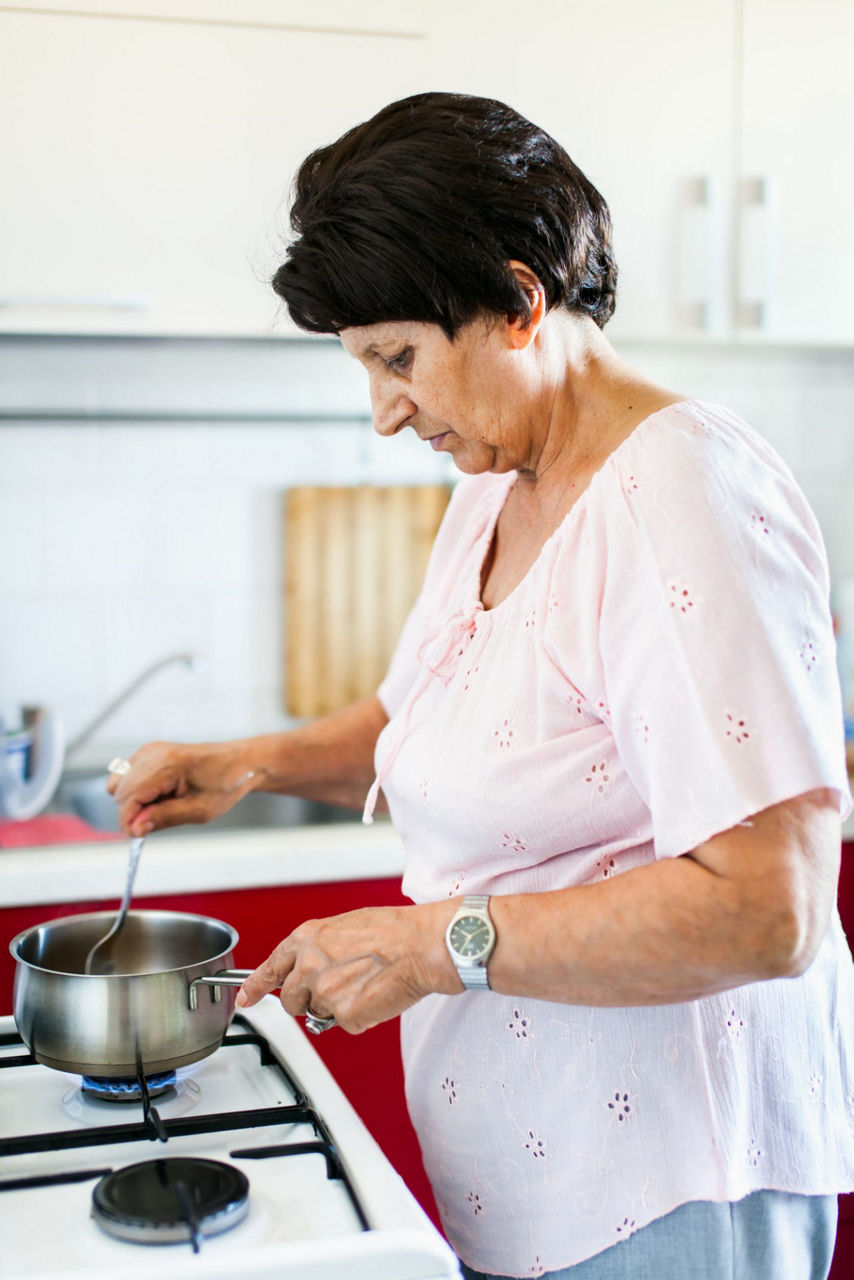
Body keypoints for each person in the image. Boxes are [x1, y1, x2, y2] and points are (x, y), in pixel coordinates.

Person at [107, 93, 854, 1279]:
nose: (383, 410)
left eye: (397, 359)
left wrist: (430, 945)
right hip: (526, 1182)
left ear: (517, 301)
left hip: (667, 1193)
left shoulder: (679, 499)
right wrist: (243, 762)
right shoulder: (493, 488)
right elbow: (426, 718)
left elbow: (771, 907)